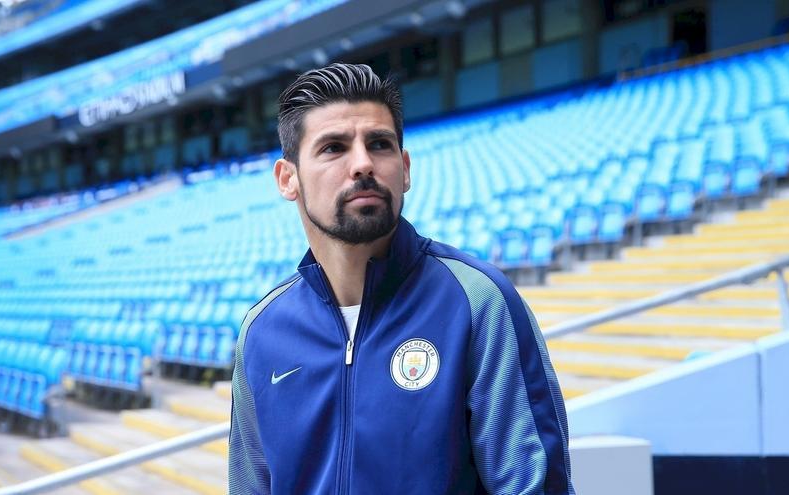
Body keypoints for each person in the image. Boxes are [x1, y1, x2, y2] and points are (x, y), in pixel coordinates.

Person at [228, 63, 574, 494]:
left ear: (405, 169)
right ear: (288, 179)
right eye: (334, 148)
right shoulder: (262, 333)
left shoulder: (477, 302)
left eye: (380, 144)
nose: (363, 164)